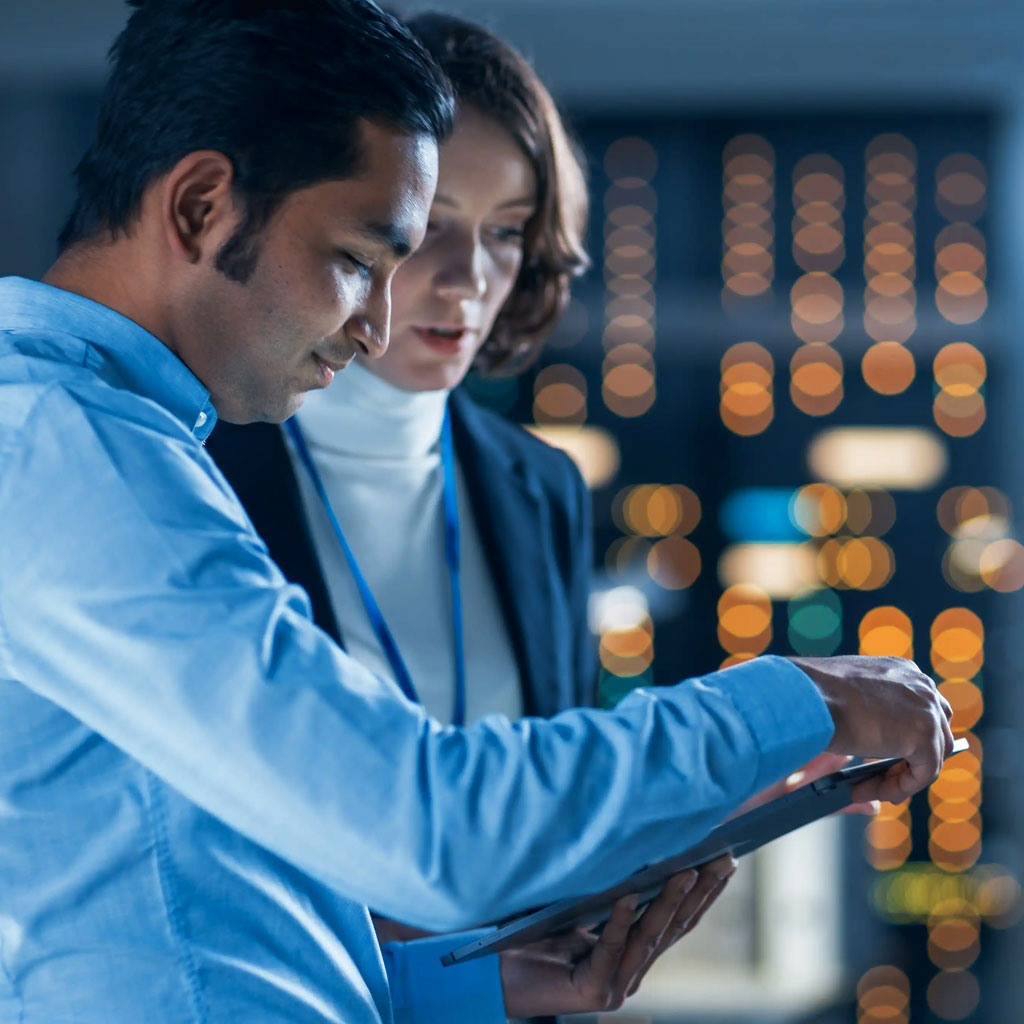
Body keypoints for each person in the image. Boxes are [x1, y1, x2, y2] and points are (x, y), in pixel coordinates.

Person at [0, 3, 954, 1024]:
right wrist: (793, 699)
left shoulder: (112, 444)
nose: (374, 324)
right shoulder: (60, 450)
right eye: (361, 260)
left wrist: (459, 987)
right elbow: (424, 827)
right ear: (198, 208)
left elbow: (173, 920)